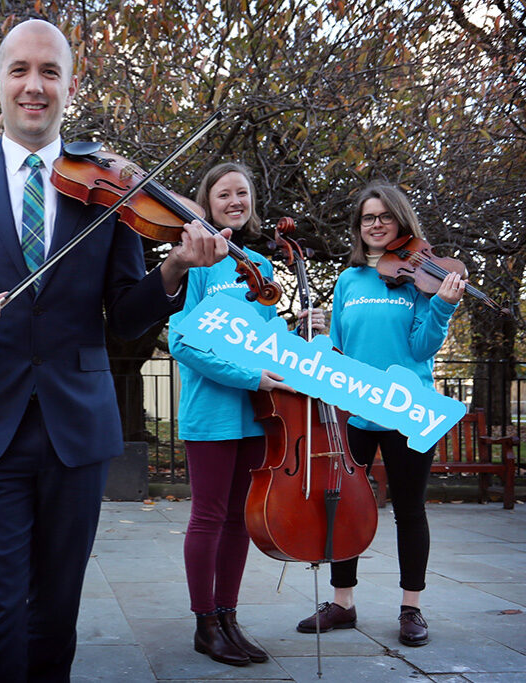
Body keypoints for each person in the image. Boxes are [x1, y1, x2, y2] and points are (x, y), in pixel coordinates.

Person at [0, 18, 230, 682]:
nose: (34, 85)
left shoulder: (111, 188)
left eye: (49, 72)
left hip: (76, 430)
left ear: (69, 87)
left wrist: (170, 273)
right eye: (20, 70)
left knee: (56, 614)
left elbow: (128, 314)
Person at [168, 163, 325, 666]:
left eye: (243, 193)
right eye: (223, 194)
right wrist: (249, 377)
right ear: (208, 203)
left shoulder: (261, 264)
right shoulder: (194, 260)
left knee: (240, 519)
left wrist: (298, 328)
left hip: (259, 414)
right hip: (212, 410)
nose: (234, 201)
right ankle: (204, 624)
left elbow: (264, 343)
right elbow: (182, 340)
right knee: (209, 516)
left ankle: (229, 617)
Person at [294, 182, 464, 647]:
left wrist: (444, 308)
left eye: (384, 217)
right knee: (343, 504)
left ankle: (412, 608)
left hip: (408, 408)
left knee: (409, 510)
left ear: (400, 222)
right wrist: (319, 337)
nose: (375, 224)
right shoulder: (349, 280)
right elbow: (344, 348)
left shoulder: (421, 278)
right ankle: (342, 603)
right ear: (358, 227)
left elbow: (422, 347)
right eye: (367, 218)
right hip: (355, 408)